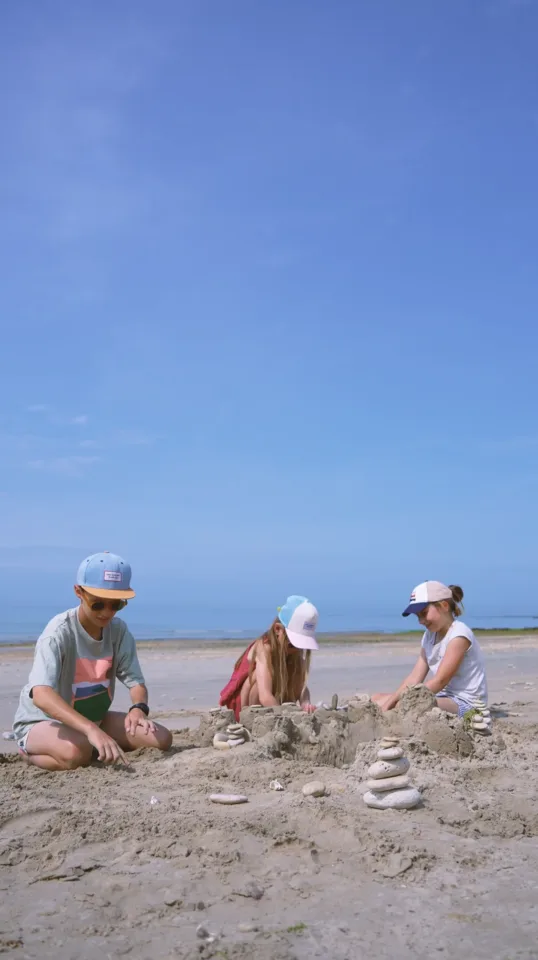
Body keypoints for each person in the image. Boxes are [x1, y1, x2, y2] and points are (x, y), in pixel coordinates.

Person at [13, 552, 173, 771]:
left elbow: (136, 682)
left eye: (115, 604)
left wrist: (138, 709)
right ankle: (29, 754)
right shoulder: (58, 633)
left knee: (161, 739)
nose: (107, 612)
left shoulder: (118, 631)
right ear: (78, 592)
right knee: (77, 753)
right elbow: (41, 695)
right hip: (44, 721)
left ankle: (91, 741)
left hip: (93, 719)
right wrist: (91, 730)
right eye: (98, 604)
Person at [371, 581, 487, 717]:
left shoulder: (459, 635)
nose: (421, 621)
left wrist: (407, 700)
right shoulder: (429, 636)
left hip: (467, 705)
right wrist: (387, 705)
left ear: (444, 606)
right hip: (443, 697)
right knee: (376, 699)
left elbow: (440, 681)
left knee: (408, 705)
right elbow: (414, 678)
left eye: (424, 613)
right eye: (418, 616)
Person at [219, 595, 319, 720]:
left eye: (301, 645)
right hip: (247, 706)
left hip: (276, 701)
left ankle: (275, 715)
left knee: (294, 671)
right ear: (278, 629)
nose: (296, 649)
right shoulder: (264, 648)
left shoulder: (295, 651)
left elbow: (302, 687)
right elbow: (264, 695)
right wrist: (286, 719)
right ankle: (252, 722)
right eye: (292, 644)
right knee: (256, 677)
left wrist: (305, 703)